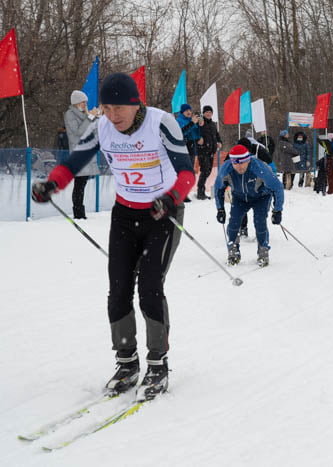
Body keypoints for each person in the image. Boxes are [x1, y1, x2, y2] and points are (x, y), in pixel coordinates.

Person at [31, 73, 195, 400]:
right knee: (118, 289)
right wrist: (52, 184)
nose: (112, 115)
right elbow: (74, 162)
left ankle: (158, 363)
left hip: (161, 214)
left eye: (119, 107)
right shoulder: (101, 127)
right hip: (124, 215)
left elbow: (187, 173)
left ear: (135, 104)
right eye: (106, 108)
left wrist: (171, 198)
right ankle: (126, 362)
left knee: (150, 287)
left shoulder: (161, 123)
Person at [214, 145, 284, 267]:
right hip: (239, 198)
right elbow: (218, 188)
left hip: (261, 197)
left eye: (242, 162)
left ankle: (263, 251)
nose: (239, 166)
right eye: (236, 163)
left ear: (248, 160)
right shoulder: (226, 169)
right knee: (234, 222)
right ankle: (233, 251)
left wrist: (277, 210)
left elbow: (277, 187)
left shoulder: (258, 167)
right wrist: (220, 209)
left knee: (260, 221)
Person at [64, 90, 100, 219]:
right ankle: (78, 213)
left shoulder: (83, 114)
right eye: (83, 102)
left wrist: (97, 117)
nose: (85, 105)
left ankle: (80, 212)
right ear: (76, 102)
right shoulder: (70, 114)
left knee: (81, 184)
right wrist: (90, 117)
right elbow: (79, 132)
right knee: (79, 184)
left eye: (86, 102)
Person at [195, 105, 222, 199]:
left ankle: (201, 191)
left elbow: (217, 135)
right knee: (205, 170)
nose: (208, 114)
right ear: (203, 113)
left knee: (208, 171)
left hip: (211, 151)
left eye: (210, 112)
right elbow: (195, 132)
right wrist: (199, 138)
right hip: (203, 150)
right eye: (206, 112)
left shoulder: (213, 124)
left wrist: (219, 142)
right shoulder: (200, 122)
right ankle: (200, 192)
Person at [176, 104, 201, 202]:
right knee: (183, 172)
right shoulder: (179, 121)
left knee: (190, 172)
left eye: (190, 110)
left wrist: (199, 125)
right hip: (183, 148)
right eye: (187, 111)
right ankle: (181, 194)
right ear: (182, 112)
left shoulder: (191, 120)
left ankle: (185, 193)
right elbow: (181, 133)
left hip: (191, 148)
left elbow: (195, 133)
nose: (189, 112)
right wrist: (192, 123)